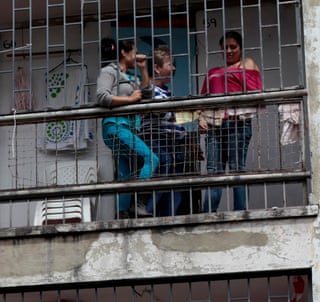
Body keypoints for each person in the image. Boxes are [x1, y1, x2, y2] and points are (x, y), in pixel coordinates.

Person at [198, 30, 262, 212]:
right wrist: (200, 118)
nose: (229, 51)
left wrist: (243, 67)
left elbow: (255, 90)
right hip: (214, 125)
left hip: (237, 123)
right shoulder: (213, 72)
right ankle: (208, 214)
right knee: (214, 171)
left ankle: (240, 213)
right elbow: (202, 100)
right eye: (225, 47)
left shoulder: (247, 64)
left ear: (240, 48)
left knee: (237, 170)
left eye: (233, 47)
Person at [97, 39, 158, 219]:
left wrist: (143, 69)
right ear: (124, 52)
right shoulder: (109, 71)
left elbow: (147, 95)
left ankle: (122, 213)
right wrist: (130, 100)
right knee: (151, 159)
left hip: (128, 128)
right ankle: (139, 204)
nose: (137, 55)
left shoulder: (132, 77)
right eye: (134, 52)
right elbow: (102, 96)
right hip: (116, 125)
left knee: (126, 172)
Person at [141, 45, 190, 216]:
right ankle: (147, 210)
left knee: (176, 178)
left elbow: (174, 119)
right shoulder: (150, 91)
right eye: (170, 64)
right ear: (157, 68)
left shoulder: (166, 92)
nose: (174, 68)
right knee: (164, 166)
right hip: (156, 139)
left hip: (171, 142)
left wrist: (185, 135)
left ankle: (169, 216)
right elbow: (160, 111)